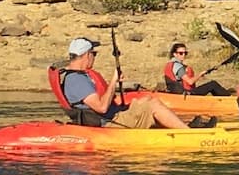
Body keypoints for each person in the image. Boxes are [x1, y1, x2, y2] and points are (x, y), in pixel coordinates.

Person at [58, 37, 195, 130]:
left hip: (113, 116)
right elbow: (102, 108)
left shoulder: (77, 76)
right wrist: (113, 81)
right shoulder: (76, 80)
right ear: (86, 55)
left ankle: (181, 127)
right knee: (152, 105)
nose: (94, 57)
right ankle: (189, 134)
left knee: (147, 99)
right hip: (111, 123)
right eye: (94, 54)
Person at [161, 41, 231, 97]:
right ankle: (229, 100)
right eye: (181, 53)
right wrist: (200, 74)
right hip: (186, 95)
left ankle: (219, 101)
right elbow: (190, 82)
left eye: (185, 53)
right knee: (213, 84)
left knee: (211, 86)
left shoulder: (171, 64)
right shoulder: (178, 67)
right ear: (174, 54)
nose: (184, 55)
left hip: (177, 93)